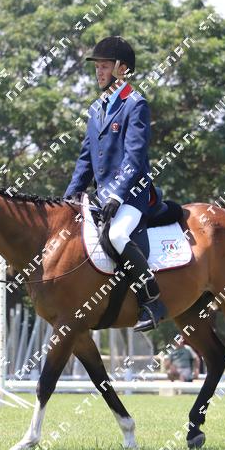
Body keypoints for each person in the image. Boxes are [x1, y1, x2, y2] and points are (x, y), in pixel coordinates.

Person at [63, 36, 167, 332]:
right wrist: (69, 197)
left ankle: (152, 299)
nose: (99, 72)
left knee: (117, 235)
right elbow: (85, 159)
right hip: (102, 198)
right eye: (97, 67)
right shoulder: (97, 109)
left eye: (105, 66)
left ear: (122, 69)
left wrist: (117, 196)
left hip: (132, 196)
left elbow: (134, 157)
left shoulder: (136, 104)